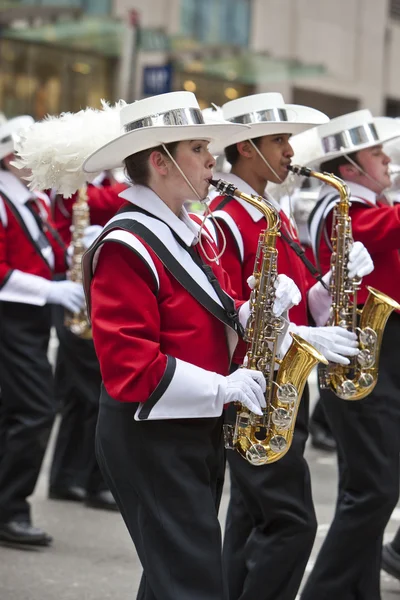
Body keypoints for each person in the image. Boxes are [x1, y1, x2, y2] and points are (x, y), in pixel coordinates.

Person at [81, 91, 302, 600]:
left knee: (172, 580)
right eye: (198, 147)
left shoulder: (184, 227)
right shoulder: (126, 243)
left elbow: (212, 307)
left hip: (191, 429)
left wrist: (257, 313)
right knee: (195, 583)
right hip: (150, 438)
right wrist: (224, 386)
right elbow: (130, 370)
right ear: (160, 162)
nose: (211, 159)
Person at [205, 93, 373, 600]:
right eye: (279, 140)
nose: (289, 150)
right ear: (247, 148)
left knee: (247, 523)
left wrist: (332, 287)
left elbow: (299, 305)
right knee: (292, 525)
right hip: (256, 389)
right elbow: (225, 312)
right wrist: (298, 334)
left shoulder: (268, 210)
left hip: (280, 386)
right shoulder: (228, 216)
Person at [293, 109, 400, 600]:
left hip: (381, 350)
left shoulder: (368, 203)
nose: (386, 159)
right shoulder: (341, 207)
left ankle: (357, 591)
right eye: (377, 153)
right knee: (373, 489)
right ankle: (326, 591)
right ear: (351, 165)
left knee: (372, 486)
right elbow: (379, 232)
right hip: (361, 352)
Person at [0, 115, 86, 546]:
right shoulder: (2, 198)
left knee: (15, 412)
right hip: (10, 318)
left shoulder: (32, 197)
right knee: (35, 410)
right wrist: (52, 290)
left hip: (29, 317)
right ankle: (10, 509)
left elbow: (43, 250)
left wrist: (71, 258)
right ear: (11, 156)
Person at [48, 175, 126, 510]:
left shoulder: (103, 181)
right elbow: (108, 200)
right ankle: (92, 481)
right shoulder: (73, 185)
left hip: (91, 287)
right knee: (94, 394)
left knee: (80, 397)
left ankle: (67, 477)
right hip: (73, 289)